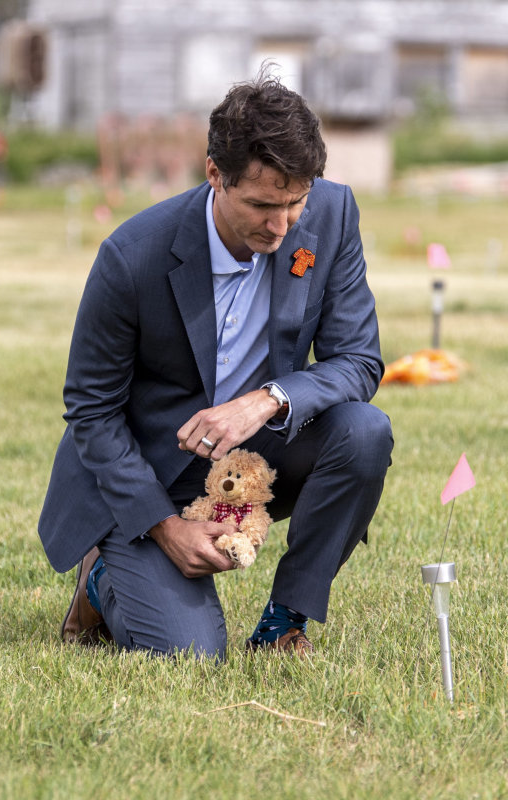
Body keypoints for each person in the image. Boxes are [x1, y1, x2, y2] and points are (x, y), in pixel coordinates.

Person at [38, 74, 392, 659]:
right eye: (260, 205)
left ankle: (284, 623)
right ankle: (100, 578)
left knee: (364, 433)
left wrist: (268, 398)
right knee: (192, 655)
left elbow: (358, 360)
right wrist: (165, 527)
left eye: (295, 203)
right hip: (149, 475)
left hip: (259, 455)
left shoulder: (332, 217)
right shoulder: (131, 256)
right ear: (213, 174)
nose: (280, 227)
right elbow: (91, 411)